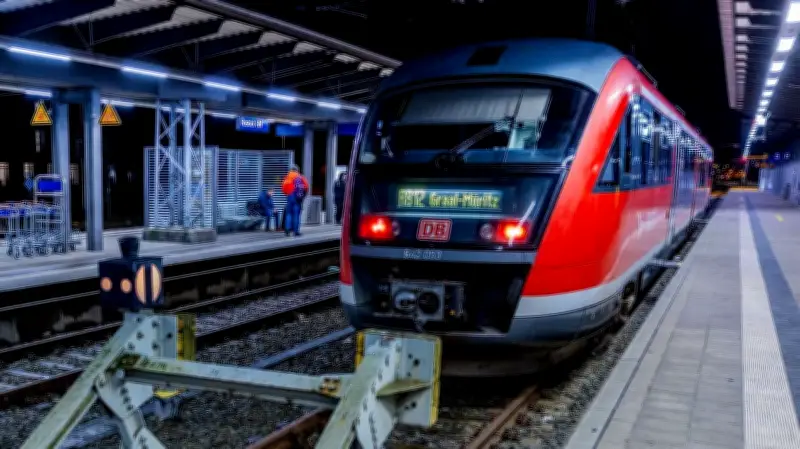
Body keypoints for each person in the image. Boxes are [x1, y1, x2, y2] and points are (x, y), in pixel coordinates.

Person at [281, 165, 309, 237]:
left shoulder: (287, 178)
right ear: (297, 170)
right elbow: (306, 187)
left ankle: (287, 231)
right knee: (296, 215)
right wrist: (302, 197)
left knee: (288, 214)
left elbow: (283, 189)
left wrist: (288, 194)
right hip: (297, 198)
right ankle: (296, 231)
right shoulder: (300, 177)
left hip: (289, 197)